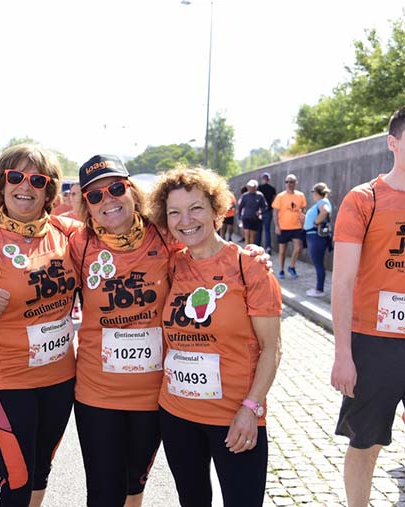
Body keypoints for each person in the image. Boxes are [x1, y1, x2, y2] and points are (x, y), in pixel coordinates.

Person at [0, 144, 80, 507]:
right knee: (17, 479)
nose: (25, 186)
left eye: (37, 179)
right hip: (8, 378)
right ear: (1, 184)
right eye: (15, 176)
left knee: (41, 471)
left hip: (60, 376)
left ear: (49, 190)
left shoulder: (68, 233)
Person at [149, 165, 282, 507]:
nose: (185, 219)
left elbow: (271, 349)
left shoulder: (248, 266)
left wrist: (251, 409)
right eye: (174, 212)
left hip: (234, 416)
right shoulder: (172, 264)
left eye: (195, 208)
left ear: (216, 211)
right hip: (177, 413)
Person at [330, 102, 405, 507]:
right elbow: (341, 283)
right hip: (372, 345)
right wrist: (344, 354)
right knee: (366, 444)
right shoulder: (363, 200)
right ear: (393, 143)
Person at [69, 154, 170, 507]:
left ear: (131, 190)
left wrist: (249, 255)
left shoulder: (164, 234)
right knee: (102, 493)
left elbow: (206, 252)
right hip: (97, 392)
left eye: (114, 188)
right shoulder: (78, 244)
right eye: (94, 196)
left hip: (154, 393)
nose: (107, 200)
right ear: (87, 207)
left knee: (134, 486)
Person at [272, 174, 307, 279]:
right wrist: (277, 226)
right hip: (283, 227)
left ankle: (291, 266)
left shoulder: (300, 195)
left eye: (291, 182)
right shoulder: (280, 196)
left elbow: (303, 209)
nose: (289, 184)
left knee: (299, 247)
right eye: (287, 182)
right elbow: (275, 212)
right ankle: (281, 270)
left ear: (296, 183)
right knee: (282, 251)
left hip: (296, 227)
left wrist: (303, 218)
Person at [303, 182, 332, 297]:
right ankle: (318, 288)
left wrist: (315, 222)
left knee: (318, 264)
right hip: (313, 236)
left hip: (316, 237)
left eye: (313, 192)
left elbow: (325, 211)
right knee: (318, 263)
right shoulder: (321, 203)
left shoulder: (322, 202)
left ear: (316, 193)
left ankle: (319, 290)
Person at [237, 179, 267, 245]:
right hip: (246, 218)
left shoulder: (259, 196)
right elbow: (240, 207)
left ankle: (251, 252)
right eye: (250, 186)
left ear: (256, 187)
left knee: (252, 238)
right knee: (247, 236)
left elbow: (265, 206)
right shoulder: (245, 196)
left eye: (253, 187)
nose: (251, 188)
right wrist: (239, 218)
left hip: (255, 219)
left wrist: (260, 212)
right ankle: (246, 252)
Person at [257, 172, 277, 252]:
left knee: (259, 229)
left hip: (260, 211)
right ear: (269, 179)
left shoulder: (259, 188)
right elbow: (274, 200)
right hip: (268, 211)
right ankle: (268, 247)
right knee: (267, 230)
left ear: (263, 179)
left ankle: (257, 246)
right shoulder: (272, 189)